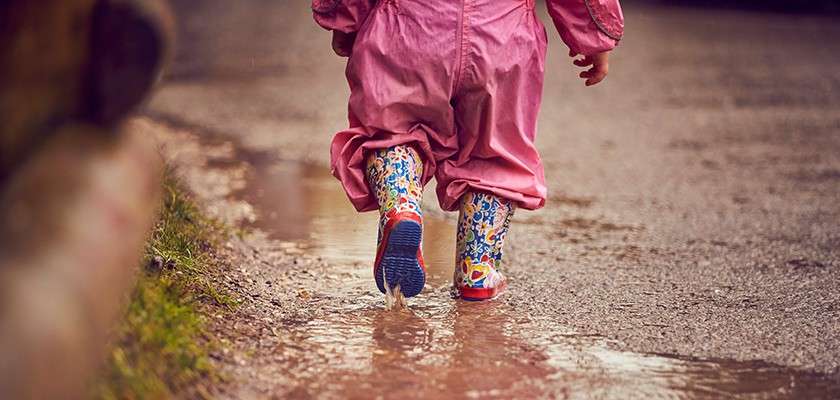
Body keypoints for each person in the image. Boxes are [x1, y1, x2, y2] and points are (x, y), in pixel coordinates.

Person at [312, 0, 624, 301]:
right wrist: (595, 36)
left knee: (391, 132)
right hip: (503, 35)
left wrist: (343, 16)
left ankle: (401, 206)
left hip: (407, 27)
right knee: (494, 155)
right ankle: (476, 269)